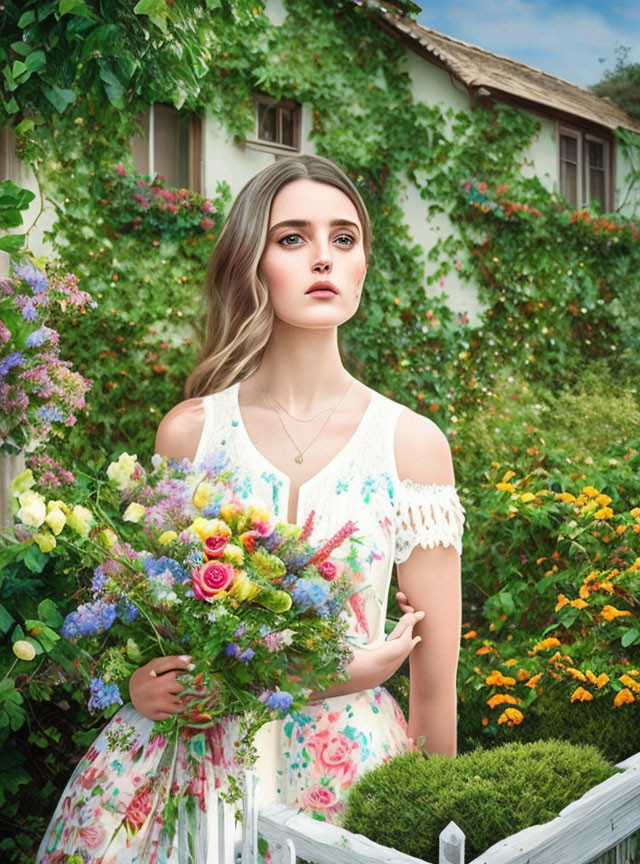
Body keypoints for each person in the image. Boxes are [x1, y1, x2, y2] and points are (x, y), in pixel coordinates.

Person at [36, 154, 464, 863]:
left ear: (363, 266)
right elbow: (153, 625)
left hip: (350, 776)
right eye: (292, 238)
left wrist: (440, 830)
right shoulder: (192, 432)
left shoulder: (412, 446)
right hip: (185, 773)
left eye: (344, 239)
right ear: (252, 262)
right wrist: (140, 684)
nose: (323, 257)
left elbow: (435, 689)